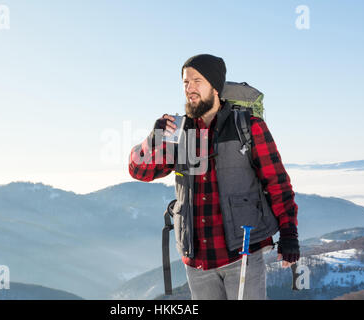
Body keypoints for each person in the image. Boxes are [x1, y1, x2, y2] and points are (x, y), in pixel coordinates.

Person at [128, 54, 299, 300]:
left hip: (243, 255)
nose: (190, 88)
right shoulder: (178, 132)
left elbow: (277, 182)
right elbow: (138, 171)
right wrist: (152, 139)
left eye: (197, 80)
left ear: (215, 87)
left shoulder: (248, 126)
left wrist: (289, 233)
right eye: (186, 82)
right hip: (197, 260)